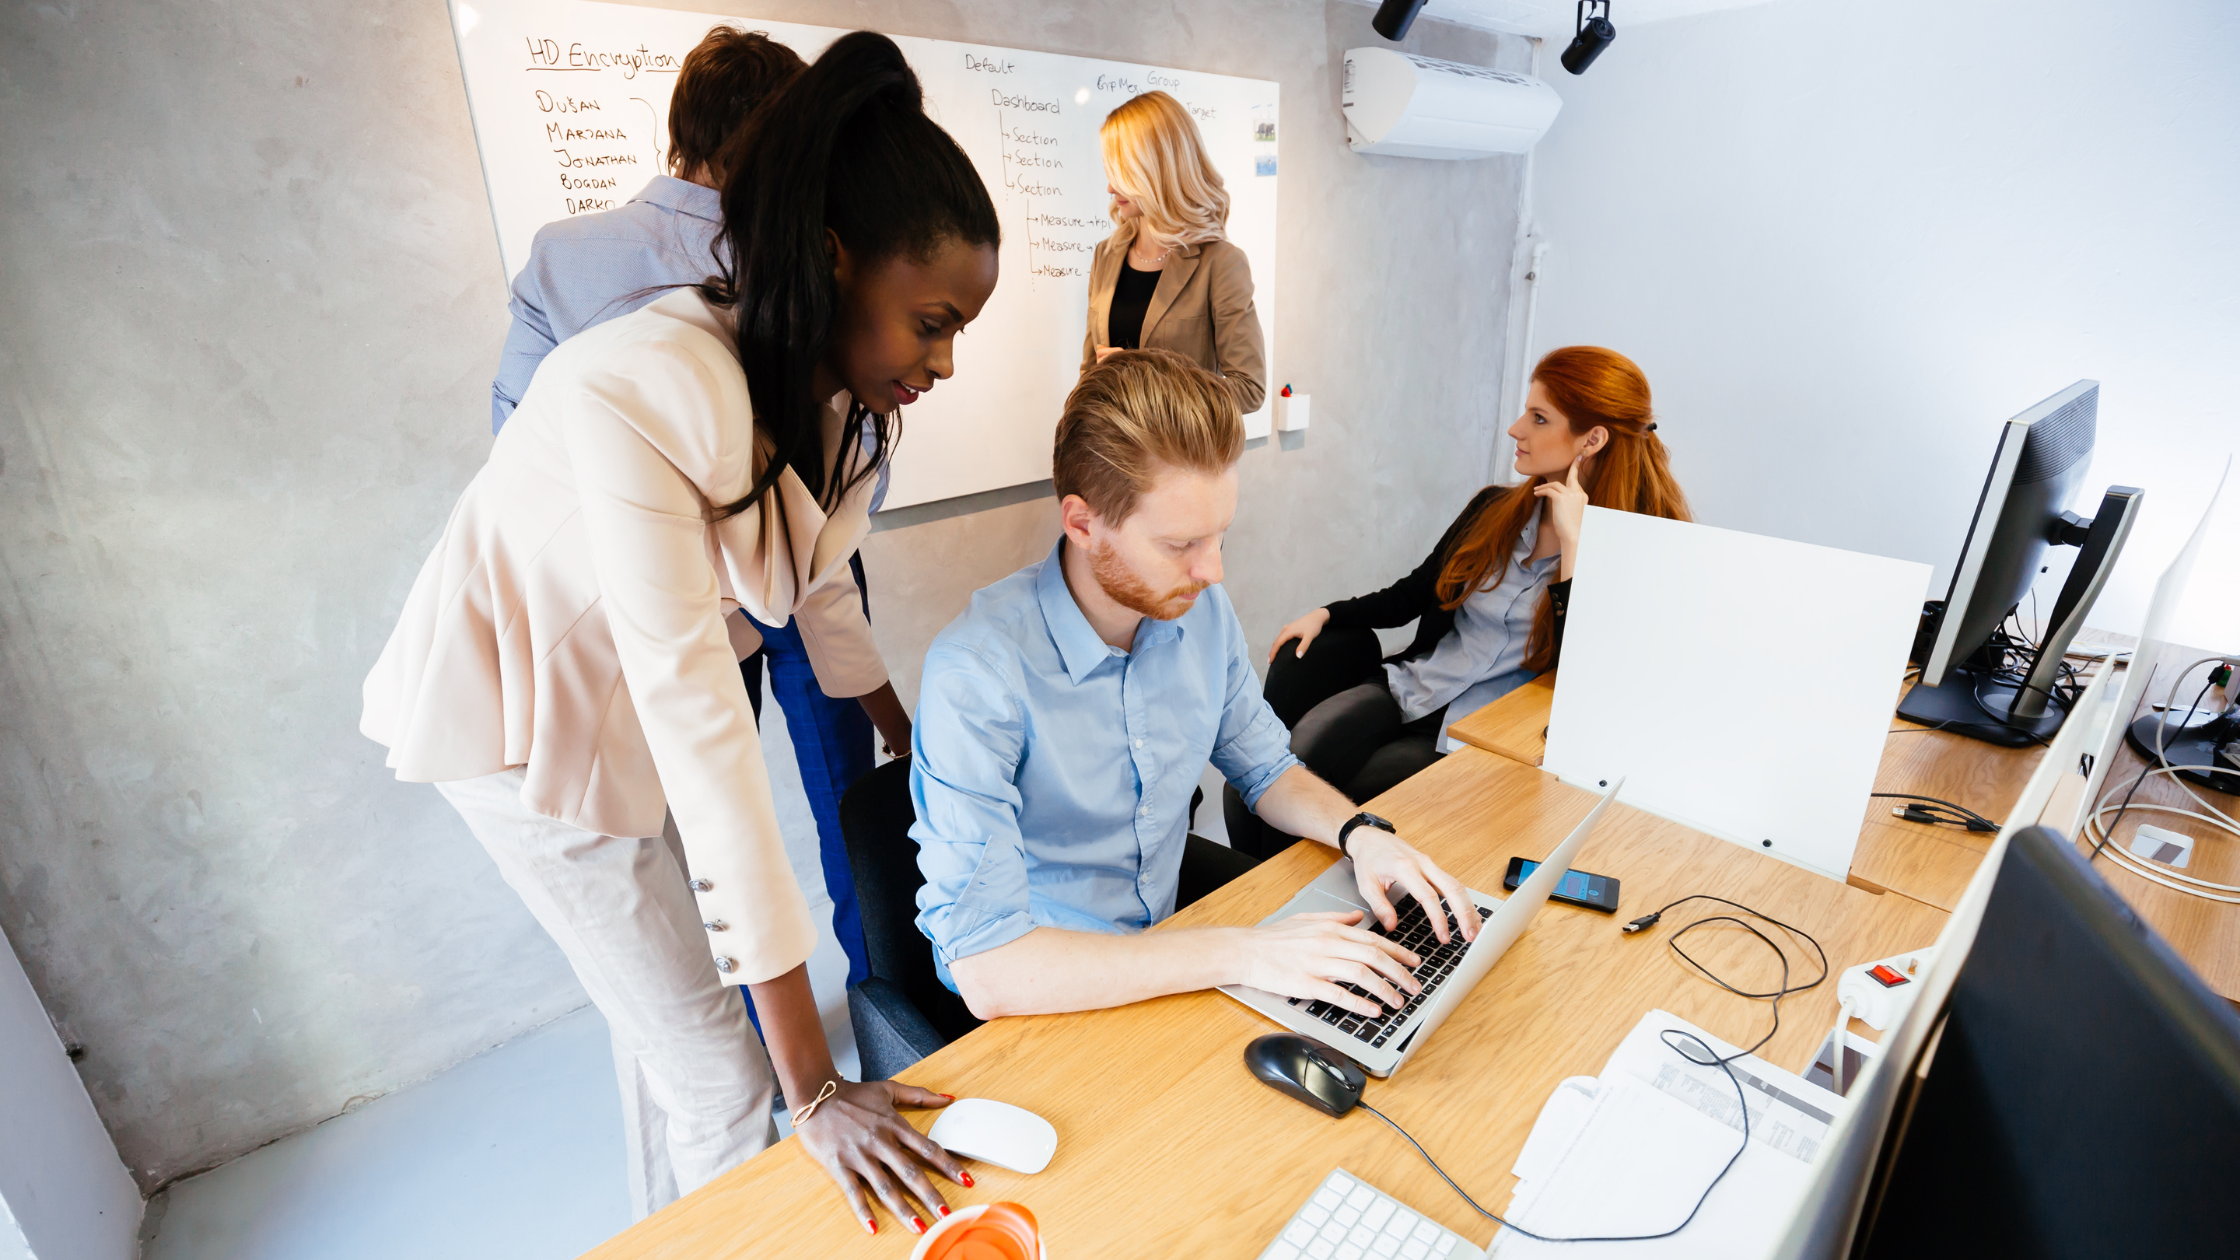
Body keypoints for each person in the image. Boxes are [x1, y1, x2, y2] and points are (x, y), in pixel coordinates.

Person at [361, 33, 1000, 1235]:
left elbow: (817, 589)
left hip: (619, 708)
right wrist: (813, 1090)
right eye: (930, 321)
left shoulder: (838, 404)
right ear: (831, 260)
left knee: (666, 1021)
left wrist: (901, 735)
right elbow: (705, 737)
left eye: (959, 326)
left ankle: (663, 1214)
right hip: (517, 726)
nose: (946, 360)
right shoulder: (644, 381)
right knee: (723, 1074)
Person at [487, 24, 906, 997]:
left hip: (671, 591)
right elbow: (839, 455)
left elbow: (513, 450)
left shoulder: (564, 256)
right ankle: (878, 999)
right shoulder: (812, 259)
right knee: (840, 796)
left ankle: (767, 1030)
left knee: (714, 800)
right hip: (790, 570)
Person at [909, 350, 1481, 1025]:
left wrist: (1360, 833)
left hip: (1167, 947)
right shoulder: (976, 676)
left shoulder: (1198, 611)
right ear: (1082, 524)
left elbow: (1266, 768)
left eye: (1220, 536)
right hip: (1045, 993)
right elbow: (990, 969)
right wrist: (1245, 954)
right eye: (1181, 544)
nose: (1212, 571)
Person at [1250, 346, 1691, 832]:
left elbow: (1590, 679)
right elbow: (1413, 592)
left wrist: (1574, 547)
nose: (1515, 428)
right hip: (1416, 687)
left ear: (1592, 440)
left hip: (1484, 735)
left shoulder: (1638, 550)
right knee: (1294, 760)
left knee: (1361, 798)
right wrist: (1330, 614)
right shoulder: (1493, 509)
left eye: (1538, 418)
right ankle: (1258, 897)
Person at [1080, 91, 1266, 414]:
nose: (1110, 187)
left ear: (1155, 170)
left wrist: (1147, 372)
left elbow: (1249, 389)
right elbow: (1089, 374)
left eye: (1122, 172)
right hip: (1111, 457)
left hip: (1179, 461)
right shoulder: (1105, 255)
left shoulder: (1220, 264)